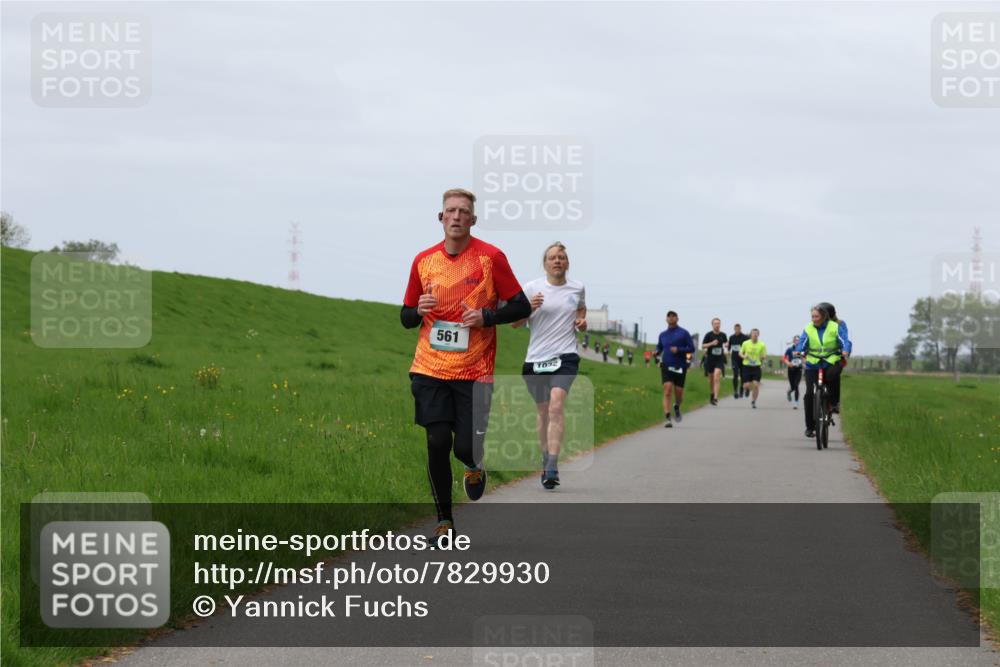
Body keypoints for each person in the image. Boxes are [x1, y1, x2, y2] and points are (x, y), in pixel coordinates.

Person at [401, 188, 531, 547]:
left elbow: (521, 307)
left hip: (475, 371)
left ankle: (474, 466)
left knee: (464, 449)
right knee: (436, 440)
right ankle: (444, 521)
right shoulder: (423, 261)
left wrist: (486, 316)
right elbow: (405, 317)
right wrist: (419, 311)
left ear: (473, 220)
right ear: (440, 218)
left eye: (463, 212)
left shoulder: (491, 258)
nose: (456, 217)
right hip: (429, 367)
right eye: (450, 211)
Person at [514, 242, 586, 490]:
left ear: (567, 263)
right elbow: (515, 323)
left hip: (565, 356)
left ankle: (553, 465)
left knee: (556, 406)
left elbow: (581, 309)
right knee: (543, 411)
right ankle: (546, 457)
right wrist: (529, 307)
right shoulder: (532, 288)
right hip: (536, 359)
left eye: (562, 257)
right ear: (545, 263)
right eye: (553, 257)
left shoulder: (577, 288)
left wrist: (581, 321)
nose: (557, 261)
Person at [792, 302, 852, 438]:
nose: (814, 319)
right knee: (809, 395)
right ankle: (810, 427)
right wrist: (798, 351)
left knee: (833, 375)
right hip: (813, 363)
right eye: (812, 316)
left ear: (824, 316)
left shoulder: (836, 326)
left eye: (816, 316)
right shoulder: (808, 328)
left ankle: (833, 401)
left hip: (830, 361)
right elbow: (802, 341)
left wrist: (845, 350)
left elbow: (845, 340)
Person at [655, 311, 695, 428]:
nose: (671, 318)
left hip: (680, 366)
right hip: (666, 365)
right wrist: (657, 351)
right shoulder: (662, 334)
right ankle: (667, 417)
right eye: (669, 316)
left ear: (677, 318)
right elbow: (660, 346)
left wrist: (678, 350)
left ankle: (676, 406)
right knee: (667, 390)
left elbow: (691, 348)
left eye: (673, 316)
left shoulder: (684, 333)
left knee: (679, 394)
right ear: (666, 319)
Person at [701, 318, 728, 405]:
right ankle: (712, 394)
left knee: (717, 376)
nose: (717, 325)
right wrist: (711, 343)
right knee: (711, 380)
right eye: (715, 323)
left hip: (719, 359)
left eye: (718, 323)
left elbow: (726, 343)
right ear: (712, 325)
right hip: (710, 360)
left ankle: (716, 397)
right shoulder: (708, 335)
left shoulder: (723, 335)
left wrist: (727, 344)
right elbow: (703, 346)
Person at [739, 328, 767, 409]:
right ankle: (747, 389)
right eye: (753, 333)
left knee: (756, 385)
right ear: (750, 335)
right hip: (746, 367)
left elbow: (764, 355)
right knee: (746, 385)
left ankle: (753, 401)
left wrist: (762, 357)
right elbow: (740, 353)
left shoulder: (761, 345)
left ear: (758, 335)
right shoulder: (745, 343)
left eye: (756, 333)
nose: (754, 335)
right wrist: (744, 356)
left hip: (756, 367)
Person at [782, 335, 804, 409]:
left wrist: (804, 363)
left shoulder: (802, 349)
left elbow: (806, 357)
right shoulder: (790, 349)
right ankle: (789, 392)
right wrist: (788, 363)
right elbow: (784, 357)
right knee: (793, 386)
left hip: (799, 369)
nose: (797, 342)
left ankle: (796, 403)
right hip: (791, 369)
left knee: (796, 386)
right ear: (793, 341)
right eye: (795, 340)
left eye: (798, 340)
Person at [728, 324, 749, 399]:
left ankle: (741, 390)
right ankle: (735, 391)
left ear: (740, 329)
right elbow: (729, 347)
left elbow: (748, 347)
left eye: (738, 329)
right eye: (736, 329)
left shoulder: (745, 337)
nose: (737, 330)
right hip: (734, 359)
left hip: (743, 359)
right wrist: (728, 352)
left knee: (743, 376)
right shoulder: (731, 337)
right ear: (734, 329)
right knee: (735, 374)